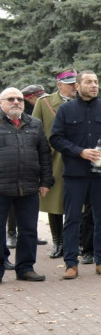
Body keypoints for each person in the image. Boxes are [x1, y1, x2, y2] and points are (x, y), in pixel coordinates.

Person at [50, 71, 101, 279]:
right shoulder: (65, 110)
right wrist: (80, 151)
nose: (94, 85)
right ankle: (71, 264)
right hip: (75, 174)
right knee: (72, 219)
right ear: (77, 86)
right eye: (89, 82)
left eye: (96, 82)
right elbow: (56, 138)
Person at [0, 87, 53, 283]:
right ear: (1, 103)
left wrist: (46, 181)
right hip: (1, 186)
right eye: (11, 99)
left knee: (29, 230)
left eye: (20, 99)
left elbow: (44, 155)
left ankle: (25, 268)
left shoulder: (35, 124)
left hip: (29, 186)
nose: (16, 102)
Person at [33, 68, 77, 260]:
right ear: (60, 85)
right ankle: (58, 242)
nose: (74, 87)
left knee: (78, 201)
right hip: (53, 158)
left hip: (77, 156)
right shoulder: (45, 103)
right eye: (70, 84)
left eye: (76, 83)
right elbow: (35, 130)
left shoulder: (82, 102)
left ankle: (77, 242)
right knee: (55, 202)